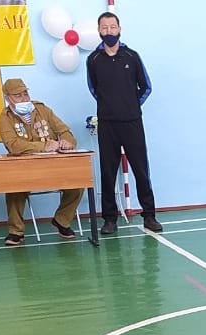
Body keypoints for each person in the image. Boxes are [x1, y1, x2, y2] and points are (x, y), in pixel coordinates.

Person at [86, 12, 162, 235]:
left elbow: (146, 87)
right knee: (108, 172)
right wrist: (110, 106)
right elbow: (94, 88)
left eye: (113, 27)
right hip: (107, 124)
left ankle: (149, 215)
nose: (109, 31)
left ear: (119, 29)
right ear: (99, 31)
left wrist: (130, 105)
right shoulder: (93, 59)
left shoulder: (132, 56)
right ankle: (110, 219)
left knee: (141, 169)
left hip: (132, 122)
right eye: (104, 27)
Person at [0, 78, 85, 247]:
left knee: (78, 181)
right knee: (14, 187)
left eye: (25, 94)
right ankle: (16, 231)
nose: (24, 98)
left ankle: (62, 220)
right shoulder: (5, 118)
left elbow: (64, 131)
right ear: (8, 98)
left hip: (52, 165)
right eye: (18, 95)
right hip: (24, 168)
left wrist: (67, 141)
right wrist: (43, 146)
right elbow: (13, 145)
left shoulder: (42, 110)